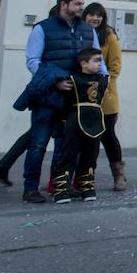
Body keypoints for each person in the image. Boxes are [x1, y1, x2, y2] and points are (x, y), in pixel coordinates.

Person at [0, 0, 103, 202]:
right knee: (38, 144)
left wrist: (101, 83)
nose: (82, 8)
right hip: (47, 96)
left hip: (74, 99)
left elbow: (99, 60)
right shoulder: (43, 28)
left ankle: (60, 185)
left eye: (82, 4)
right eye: (78, 4)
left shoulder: (87, 30)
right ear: (64, 3)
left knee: (66, 145)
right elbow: (33, 61)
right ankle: (31, 188)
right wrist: (56, 81)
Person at [50, 48, 109, 203]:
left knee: (91, 155)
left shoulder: (103, 79)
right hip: (75, 120)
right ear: (83, 63)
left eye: (100, 61)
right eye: (96, 61)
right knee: (69, 153)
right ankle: (61, 189)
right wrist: (62, 122)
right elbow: (64, 104)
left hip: (96, 120)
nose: (99, 64)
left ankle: (87, 187)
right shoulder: (72, 80)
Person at [82, 3, 127, 191]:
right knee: (83, 140)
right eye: (91, 14)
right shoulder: (80, 33)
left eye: (99, 15)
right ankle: (82, 178)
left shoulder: (108, 36)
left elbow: (115, 66)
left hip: (105, 97)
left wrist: (102, 85)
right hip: (82, 95)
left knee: (108, 136)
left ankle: (119, 175)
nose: (95, 18)